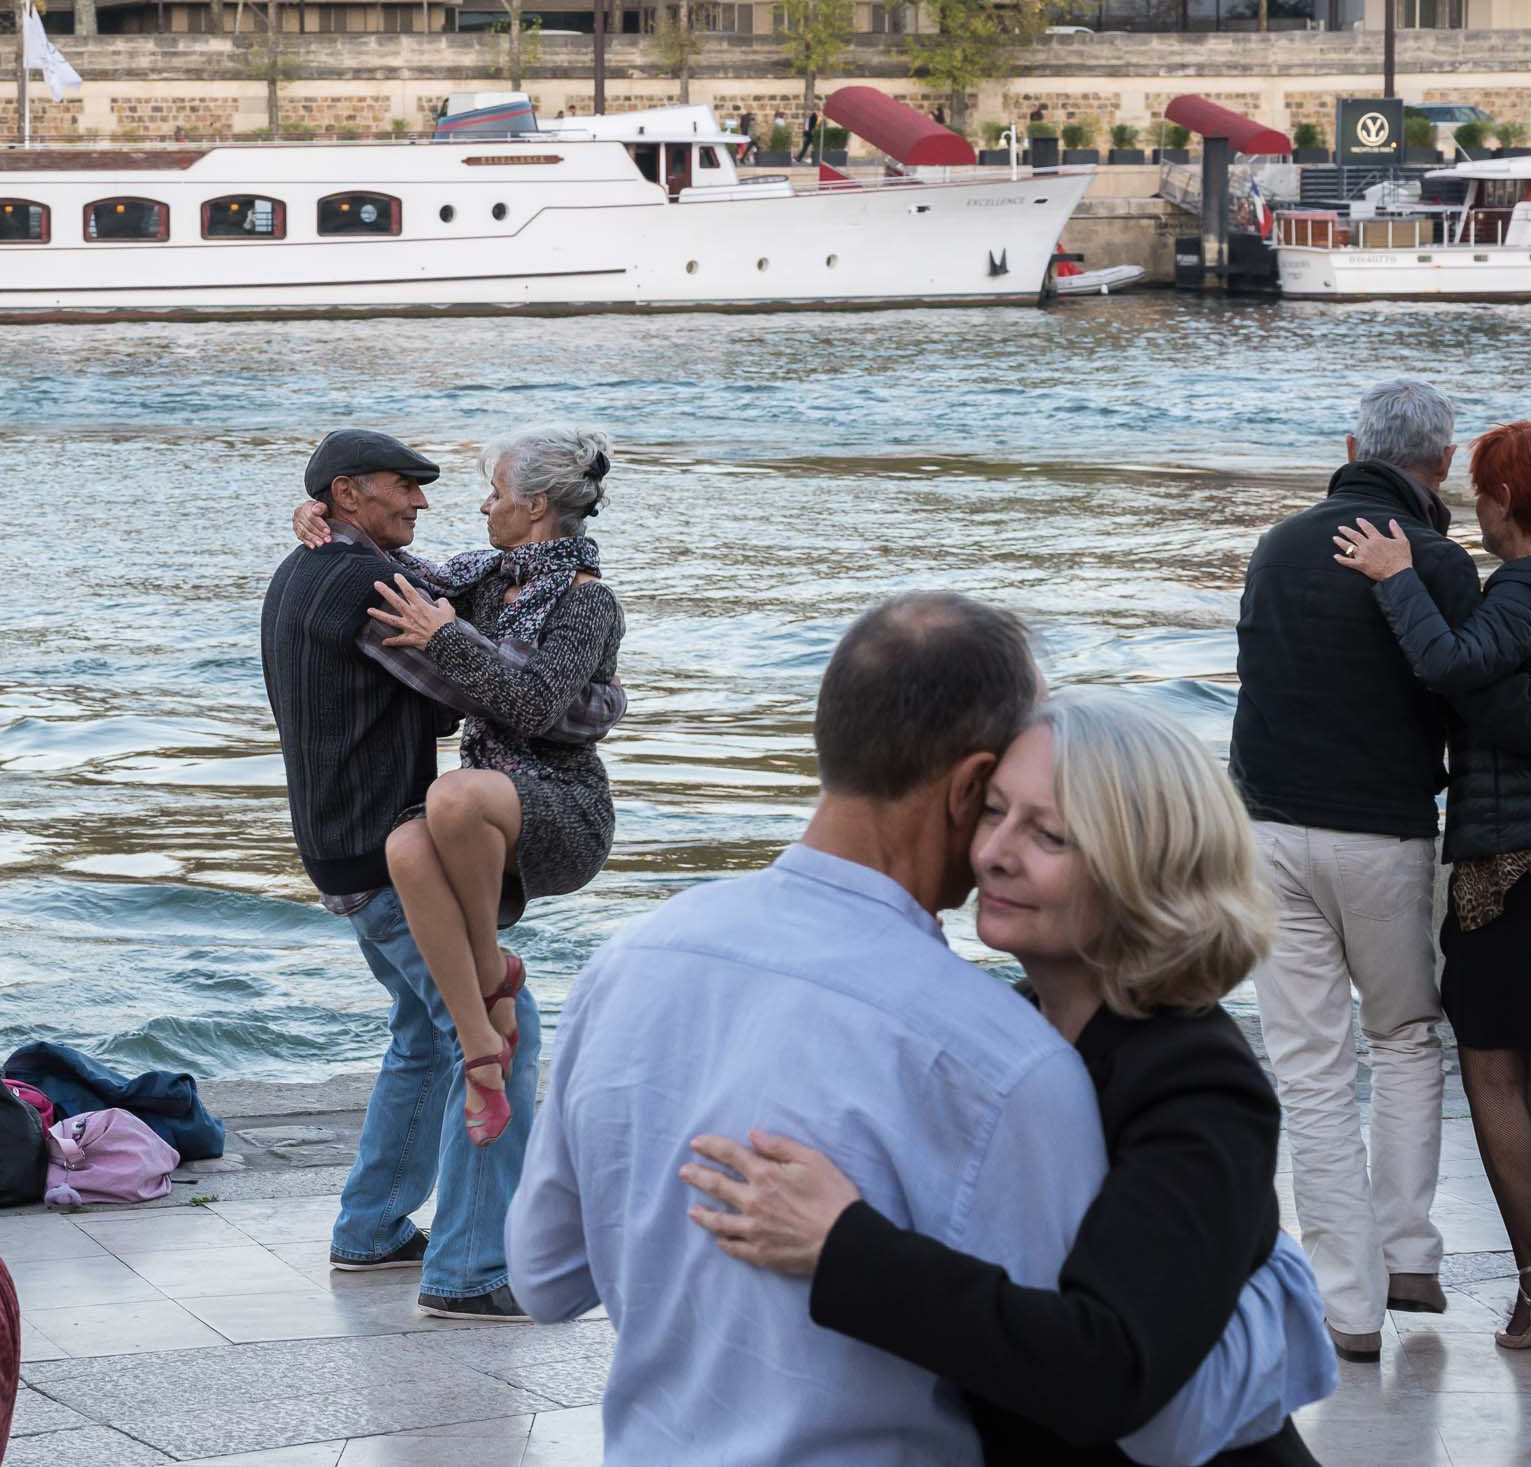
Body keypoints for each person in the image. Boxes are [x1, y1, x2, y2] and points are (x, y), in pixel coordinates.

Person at [507, 593, 1108, 1465]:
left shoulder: (630, 960)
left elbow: (543, 1277)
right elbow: (1069, 1386)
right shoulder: (1002, 1061)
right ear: (973, 786)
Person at [679, 693, 1336, 1466]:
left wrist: (842, 1246)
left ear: (1148, 864)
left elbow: (1108, 1366)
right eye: (993, 812)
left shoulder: (1197, 1079)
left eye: (1049, 833)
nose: (993, 852)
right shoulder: (1008, 1021)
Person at [1228, 379, 1531, 1362]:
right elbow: (1476, 698)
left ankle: (1349, 1306)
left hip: (1270, 833)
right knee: (1409, 1037)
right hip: (1386, 836)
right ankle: (1410, 1252)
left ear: (1348, 442)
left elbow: (1254, 681)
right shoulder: (1446, 562)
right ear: (1446, 465)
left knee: (1312, 1072)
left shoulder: (1278, 546)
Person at [262, 429, 617, 1324]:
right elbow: (489, 691)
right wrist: (604, 704)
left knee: (426, 1028)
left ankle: (372, 1226)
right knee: (506, 1028)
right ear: (347, 493)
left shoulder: (303, 568)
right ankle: (469, 1266)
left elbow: (476, 641)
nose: (423, 500)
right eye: (403, 485)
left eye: (434, 486)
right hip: (386, 842)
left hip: (336, 841)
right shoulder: (372, 586)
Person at [1333, 418, 1531, 1361]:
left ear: (1506, 500)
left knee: (1487, 1063)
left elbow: (1451, 667)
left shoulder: (1522, 585)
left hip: (1526, 858)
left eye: (1481, 489)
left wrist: (1397, 578)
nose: (1475, 503)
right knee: (1521, 1057)